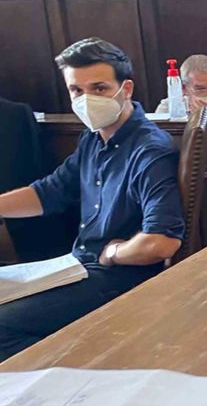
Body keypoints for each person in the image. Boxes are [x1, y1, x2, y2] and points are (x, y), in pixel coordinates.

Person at [0, 38, 185, 361]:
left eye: (99, 88)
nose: (87, 99)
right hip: (78, 267)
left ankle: (75, 376)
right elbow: (49, 193)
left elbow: (161, 242)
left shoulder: (149, 150)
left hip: (118, 279)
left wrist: (113, 253)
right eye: (77, 90)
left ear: (126, 89)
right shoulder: (94, 138)